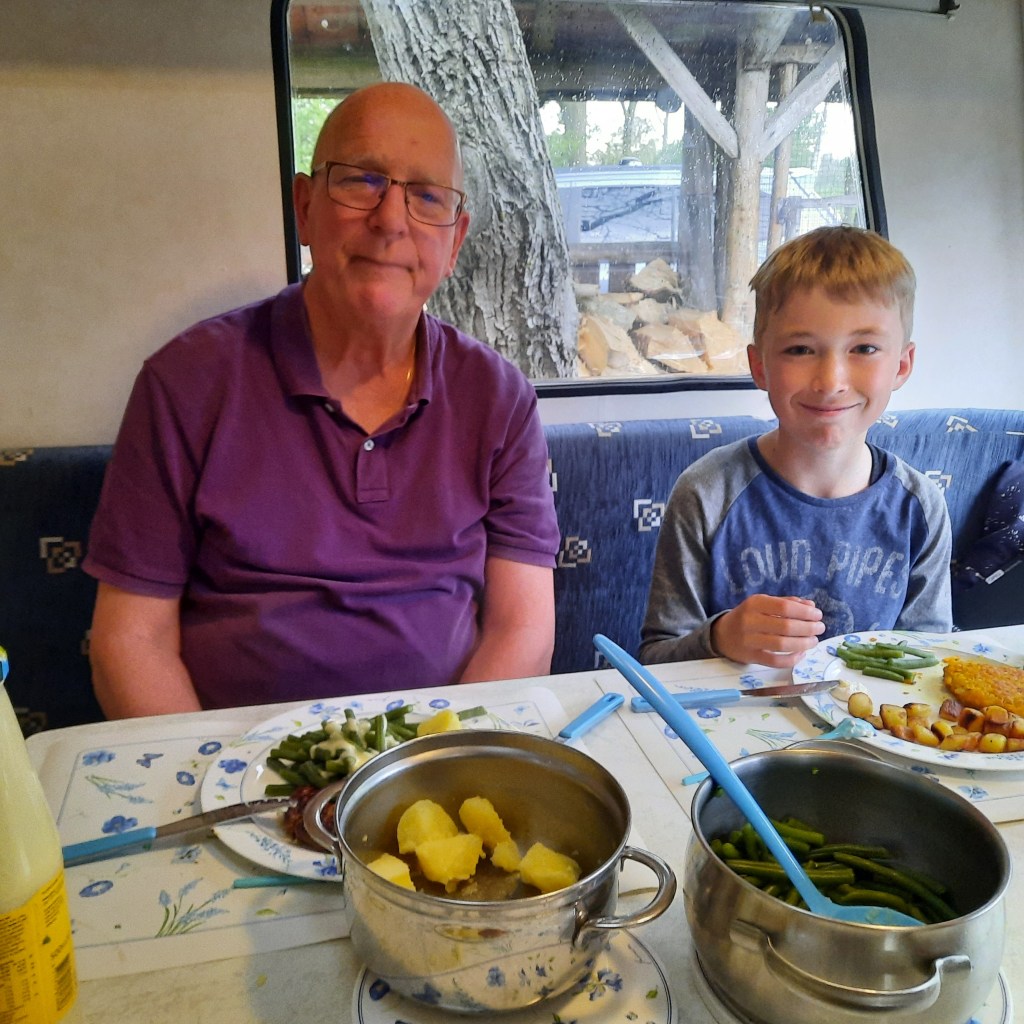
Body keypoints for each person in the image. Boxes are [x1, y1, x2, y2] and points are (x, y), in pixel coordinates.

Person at [83, 82, 561, 717]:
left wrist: (443, 757)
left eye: (426, 196)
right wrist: (216, 773)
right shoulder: (185, 383)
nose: (391, 220)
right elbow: (129, 642)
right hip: (234, 760)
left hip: (435, 750)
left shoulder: (500, 400)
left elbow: (522, 629)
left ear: (455, 242)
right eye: (362, 180)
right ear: (305, 208)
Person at [640, 225, 952, 669]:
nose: (831, 382)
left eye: (864, 348)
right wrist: (720, 637)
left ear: (901, 365)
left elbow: (929, 662)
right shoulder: (706, 493)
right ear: (759, 366)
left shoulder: (920, 507)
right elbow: (655, 659)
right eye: (801, 350)